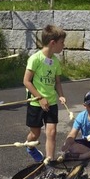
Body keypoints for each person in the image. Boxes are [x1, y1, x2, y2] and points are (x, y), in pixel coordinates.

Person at [23, 24, 67, 162]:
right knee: (34, 134)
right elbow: (26, 81)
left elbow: (57, 82)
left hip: (52, 102)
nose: (63, 45)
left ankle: (49, 161)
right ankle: (29, 147)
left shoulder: (55, 61)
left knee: (52, 133)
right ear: (53, 43)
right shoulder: (35, 59)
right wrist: (40, 98)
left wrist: (61, 95)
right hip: (36, 103)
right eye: (62, 43)